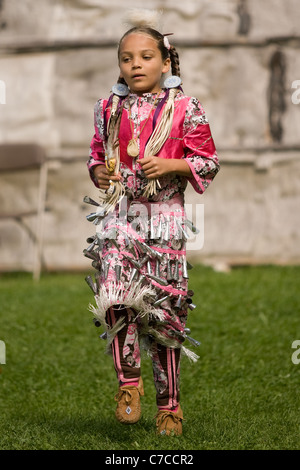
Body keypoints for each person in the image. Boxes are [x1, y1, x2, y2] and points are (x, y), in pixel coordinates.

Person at [85, 20, 220, 436]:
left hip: (164, 220)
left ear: (165, 62)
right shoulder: (109, 108)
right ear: (120, 66)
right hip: (120, 215)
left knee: (163, 314)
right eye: (127, 59)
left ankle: (169, 407)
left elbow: (207, 161)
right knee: (113, 296)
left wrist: (172, 164)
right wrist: (99, 174)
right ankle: (129, 383)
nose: (135, 65)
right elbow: (96, 155)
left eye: (146, 57)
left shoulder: (186, 107)